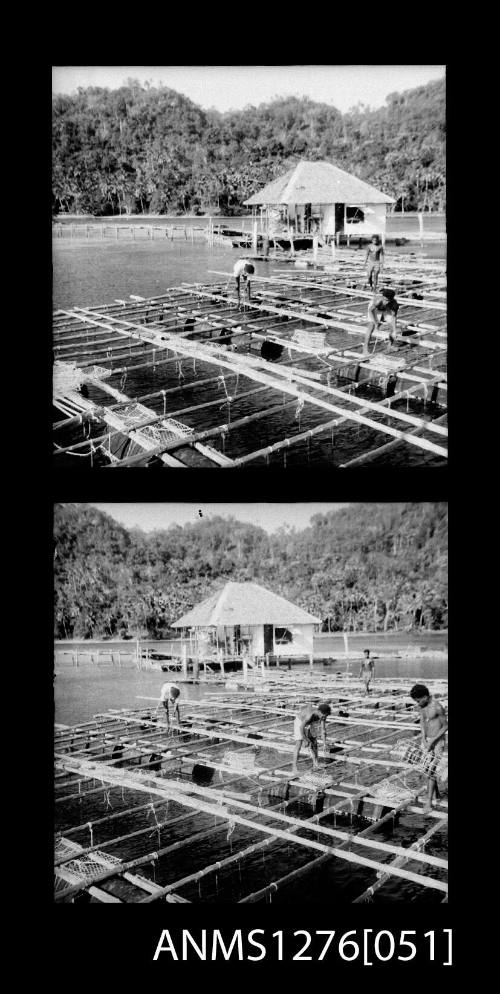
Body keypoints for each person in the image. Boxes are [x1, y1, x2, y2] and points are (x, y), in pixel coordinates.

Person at [409, 683, 448, 814]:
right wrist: (423, 738)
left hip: (438, 742)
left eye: (419, 700)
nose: (418, 703)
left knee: (430, 771)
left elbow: (445, 727)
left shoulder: (437, 707)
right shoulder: (422, 706)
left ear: (425, 696)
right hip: (427, 741)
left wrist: (433, 740)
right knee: (426, 769)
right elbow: (421, 721)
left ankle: (428, 802)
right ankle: (437, 795)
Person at [292, 702, 331, 775]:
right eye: (323, 716)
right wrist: (305, 739)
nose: (324, 718)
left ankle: (315, 764)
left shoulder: (322, 716)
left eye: (325, 717)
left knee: (314, 741)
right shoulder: (309, 715)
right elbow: (301, 727)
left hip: (309, 723)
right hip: (300, 721)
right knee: (299, 743)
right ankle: (294, 768)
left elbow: (323, 730)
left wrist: (324, 744)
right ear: (319, 712)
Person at [363, 288, 399, 355]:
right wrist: (376, 322)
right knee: (371, 325)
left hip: (387, 309)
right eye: (385, 300)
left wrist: (394, 330)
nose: (387, 302)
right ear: (382, 297)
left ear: (392, 299)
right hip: (374, 309)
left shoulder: (394, 304)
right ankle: (365, 349)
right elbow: (371, 311)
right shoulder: (377, 301)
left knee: (392, 327)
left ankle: (390, 346)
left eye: (389, 300)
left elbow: (394, 318)